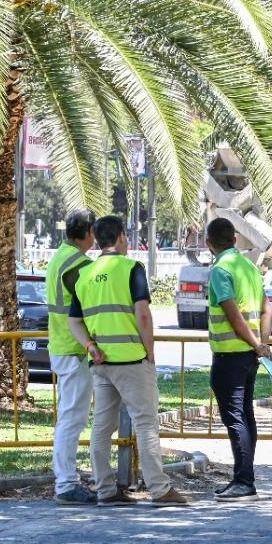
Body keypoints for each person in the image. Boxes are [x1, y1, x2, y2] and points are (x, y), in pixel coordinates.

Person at [66, 215, 189, 506]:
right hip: (132, 360)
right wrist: (150, 351)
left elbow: (74, 322)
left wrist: (90, 346)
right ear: (122, 236)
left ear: (97, 239)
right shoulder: (132, 268)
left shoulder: (85, 274)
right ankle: (160, 489)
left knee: (101, 427)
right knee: (146, 424)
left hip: (101, 364)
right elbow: (143, 314)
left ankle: (106, 490)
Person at [204, 217, 272, 501]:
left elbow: (232, 314)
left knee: (235, 418)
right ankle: (245, 477)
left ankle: (244, 481)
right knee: (245, 415)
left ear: (208, 244)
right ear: (235, 239)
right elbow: (267, 310)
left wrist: (256, 343)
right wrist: (262, 344)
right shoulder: (250, 267)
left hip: (229, 355)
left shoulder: (220, 270)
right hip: (249, 356)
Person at [46, 210, 97, 505]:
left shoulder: (60, 256)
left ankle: (66, 480)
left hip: (64, 345)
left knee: (70, 417)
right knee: (72, 419)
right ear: (89, 233)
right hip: (74, 348)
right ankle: (66, 484)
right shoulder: (79, 264)